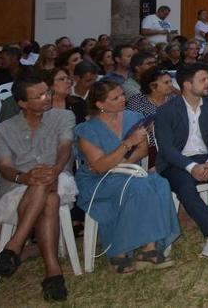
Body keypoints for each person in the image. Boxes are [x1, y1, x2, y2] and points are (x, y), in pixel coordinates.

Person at [74, 79, 179, 273]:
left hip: (130, 172)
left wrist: (123, 163)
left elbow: (143, 151)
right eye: (115, 98)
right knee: (138, 186)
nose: (123, 99)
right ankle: (119, 251)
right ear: (100, 104)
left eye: (122, 94)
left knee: (160, 183)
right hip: (97, 181)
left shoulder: (133, 117)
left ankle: (149, 249)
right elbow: (99, 167)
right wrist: (127, 144)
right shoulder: (87, 130)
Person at [0, 76, 76, 300]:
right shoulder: (2, 130)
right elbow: (5, 167)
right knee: (49, 199)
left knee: (45, 181)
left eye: (48, 92)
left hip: (60, 178)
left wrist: (55, 169)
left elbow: (65, 147)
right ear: (22, 103)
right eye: (40, 96)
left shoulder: (63, 116)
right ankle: (53, 273)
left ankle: (14, 246)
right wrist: (25, 177)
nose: (48, 98)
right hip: (16, 189)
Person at [153, 63, 208, 259]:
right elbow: (166, 149)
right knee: (185, 186)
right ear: (186, 84)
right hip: (177, 162)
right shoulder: (166, 111)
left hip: (207, 157)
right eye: (203, 80)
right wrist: (191, 167)